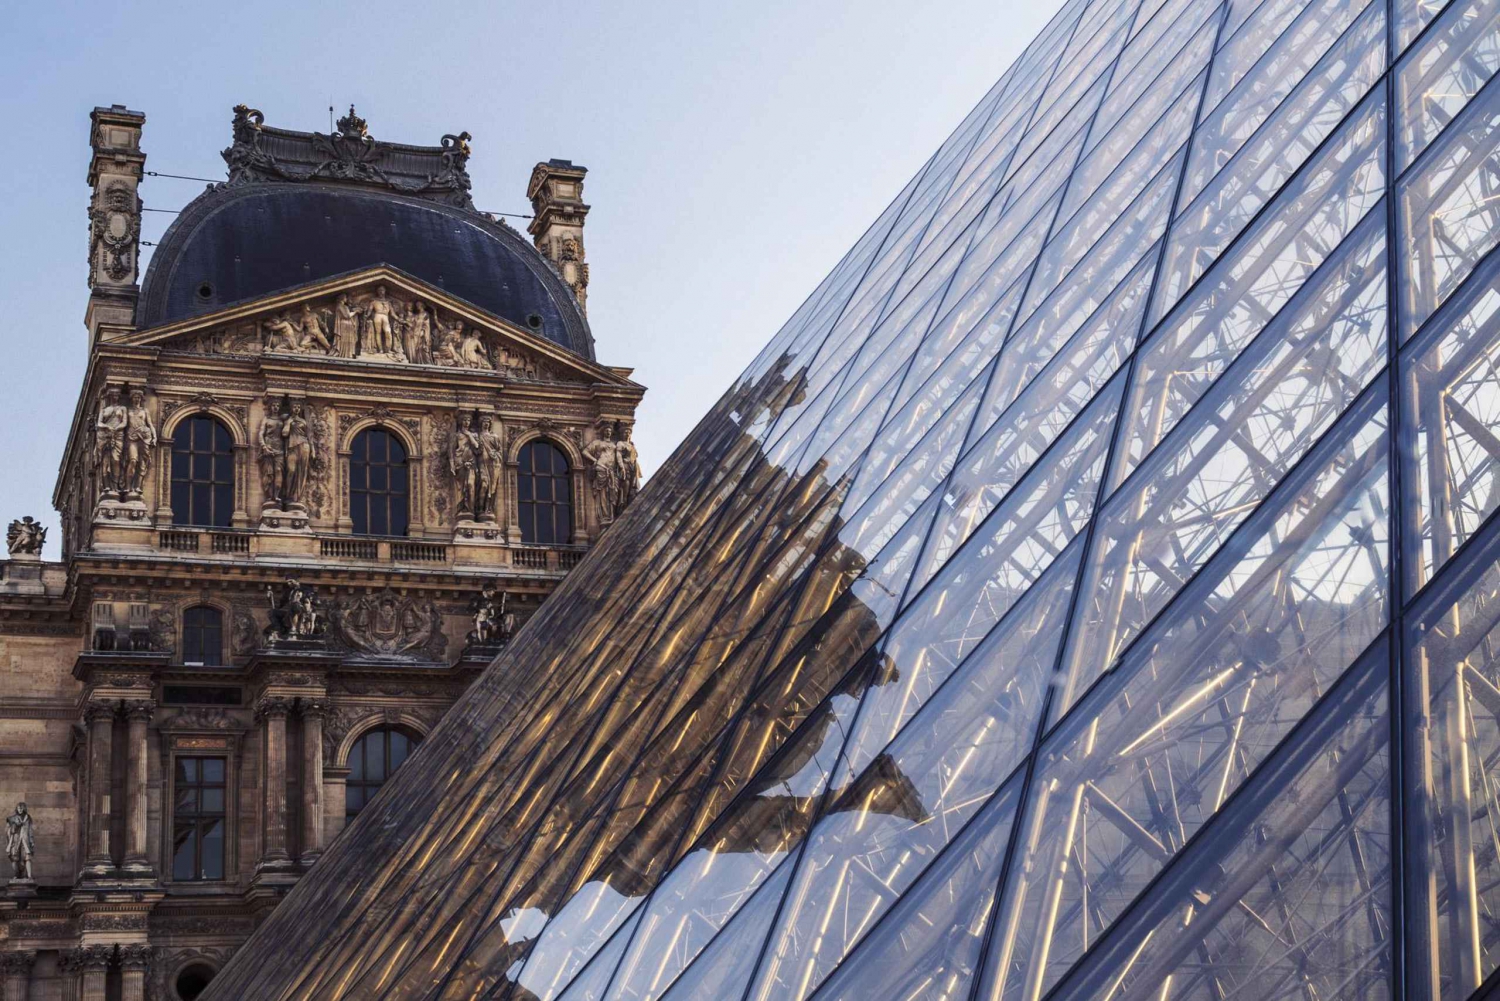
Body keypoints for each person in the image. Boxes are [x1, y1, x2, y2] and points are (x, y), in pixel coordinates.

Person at [6, 802, 34, 881]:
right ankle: (16, 874)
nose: (20, 810)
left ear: (24, 808)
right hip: (15, 840)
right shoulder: (12, 818)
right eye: (18, 808)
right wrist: (13, 828)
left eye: (21, 808)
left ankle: (29, 876)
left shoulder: (28, 818)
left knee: (27, 857)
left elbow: (30, 830)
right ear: (16, 809)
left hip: (25, 840)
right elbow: (8, 831)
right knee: (14, 858)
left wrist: (31, 841)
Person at [333, 294, 360, 358]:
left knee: (349, 340)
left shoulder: (343, 306)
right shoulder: (341, 306)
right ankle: (345, 354)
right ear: (342, 298)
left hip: (347, 325)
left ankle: (348, 354)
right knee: (345, 340)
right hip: (345, 325)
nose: (346, 299)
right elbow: (347, 316)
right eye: (345, 298)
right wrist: (356, 312)